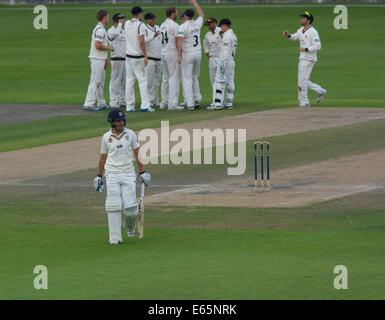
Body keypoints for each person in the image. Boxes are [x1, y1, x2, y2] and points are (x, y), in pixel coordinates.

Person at [94, 108, 151, 244]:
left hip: (128, 174)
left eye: (121, 120)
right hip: (112, 174)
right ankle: (114, 237)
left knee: (129, 209)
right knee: (113, 204)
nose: (120, 123)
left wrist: (142, 172)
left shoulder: (130, 134)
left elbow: (137, 154)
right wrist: (98, 176)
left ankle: (130, 226)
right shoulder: (106, 137)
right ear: (112, 122)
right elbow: (102, 158)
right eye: (117, 121)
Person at [282, 11, 327, 108]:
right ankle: (321, 91)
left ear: (308, 20)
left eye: (303, 18)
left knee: (301, 81)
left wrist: (306, 49)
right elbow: (296, 37)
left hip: (309, 58)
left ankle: (304, 102)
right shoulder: (301, 29)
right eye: (301, 17)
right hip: (302, 58)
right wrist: (288, 35)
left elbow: (318, 46)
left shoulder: (313, 31)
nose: (301, 19)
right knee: (303, 80)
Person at [125, 7, 154, 112]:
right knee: (142, 81)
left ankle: (129, 106)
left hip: (128, 56)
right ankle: (145, 106)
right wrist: (145, 56)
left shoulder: (127, 23)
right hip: (138, 56)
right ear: (140, 14)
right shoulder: (140, 25)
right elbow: (141, 41)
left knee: (129, 81)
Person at [176, 0, 204, 111]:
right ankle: (197, 99)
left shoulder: (183, 26)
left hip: (188, 54)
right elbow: (202, 14)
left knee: (187, 79)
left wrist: (178, 54)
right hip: (198, 53)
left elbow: (179, 40)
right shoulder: (197, 23)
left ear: (185, 16)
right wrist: (195, 3)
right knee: (195, 77)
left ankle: (190, 103)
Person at [83, 10, 113, 111]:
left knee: (100, 82)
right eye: (108, 17)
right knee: (95, 81)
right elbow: (97, 45)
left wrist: (106, 59)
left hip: (100, 58)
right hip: (97, 59)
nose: (108, 18)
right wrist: (109, 48)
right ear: (104, 17)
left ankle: (101, 102)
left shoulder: (101, 29)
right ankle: (89, 103)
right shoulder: (100, 30)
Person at [209, 18, 237, 110]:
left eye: (221, 26)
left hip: (225, 61)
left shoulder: (227, 36)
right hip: (231, 61)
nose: (221, 28)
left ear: (225, 25)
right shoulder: (233, 35)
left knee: (219, 82)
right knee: (230, 81)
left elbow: (226, 51)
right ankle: (229, 102)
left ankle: (217, 104)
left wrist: (222, 64)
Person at [159, 7, 184, 111]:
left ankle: (164, 102)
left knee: (165, 78)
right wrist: (179, 54)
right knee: (174, 77)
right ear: (173, 13)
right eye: (176, 12)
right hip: (171, 52)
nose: (177, 13)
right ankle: (173, 103)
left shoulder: (162, 25)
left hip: (162, 52)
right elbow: (178, 40)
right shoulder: (175, 25)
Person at [108, 13, 126, 109]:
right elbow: (114, 35)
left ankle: (122, 100)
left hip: (124, 59)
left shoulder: (123, 31)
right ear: (117, 20)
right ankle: (113, 101)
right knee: (115, 81)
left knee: (123, 81)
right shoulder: (111, 30)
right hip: (116, 58)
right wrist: (119, 24)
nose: (123, 21)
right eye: (121, 19)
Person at [144, 12, 162, 108]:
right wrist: (153, 36)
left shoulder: (158, 27)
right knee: (150, 80)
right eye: (152, 18)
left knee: (157, 80)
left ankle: (155, 98)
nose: (154, 20)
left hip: (159, 58)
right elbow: (143, 41)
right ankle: (150, 100)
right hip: (150, 58)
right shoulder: (145, 29)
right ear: (148, 20)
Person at [203, 17, 222, 106]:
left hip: (221, 58)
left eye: (210, 24)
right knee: (213, 80)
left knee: (220, 80)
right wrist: (207, 53)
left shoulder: (221, 31)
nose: (208, 26)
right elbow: (205, 44)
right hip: (212, 59)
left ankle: (220, 101)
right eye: (207, 25)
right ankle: (215, 100)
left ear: (215, 23)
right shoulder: (207, 35)